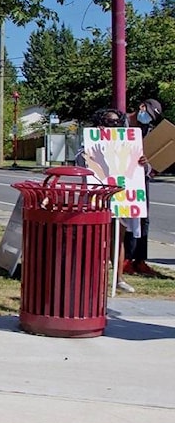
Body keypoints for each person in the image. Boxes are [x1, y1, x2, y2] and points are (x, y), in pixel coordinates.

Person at [77, 107, 137, 293]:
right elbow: (80, 162)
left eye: (117, 123)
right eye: (109, 123)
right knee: (96, 239)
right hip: (97, 199)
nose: (113, 127)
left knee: (118, 239)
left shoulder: (127, 144)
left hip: (120, 199)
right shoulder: (88, 144)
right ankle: (93, 277)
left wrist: (143, 162)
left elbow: (140, 169)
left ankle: (118, 278)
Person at [124, 98, 164, 276]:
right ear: (141, 107)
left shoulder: (147, 131)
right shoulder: (121, 123)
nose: (147, 120)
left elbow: (152, 160)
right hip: (122, 177)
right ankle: (125, 259)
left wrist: (148, 164)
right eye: (148, 114)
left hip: (140, 179)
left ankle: (139, 260)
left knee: (142, 218)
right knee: (125, 218)